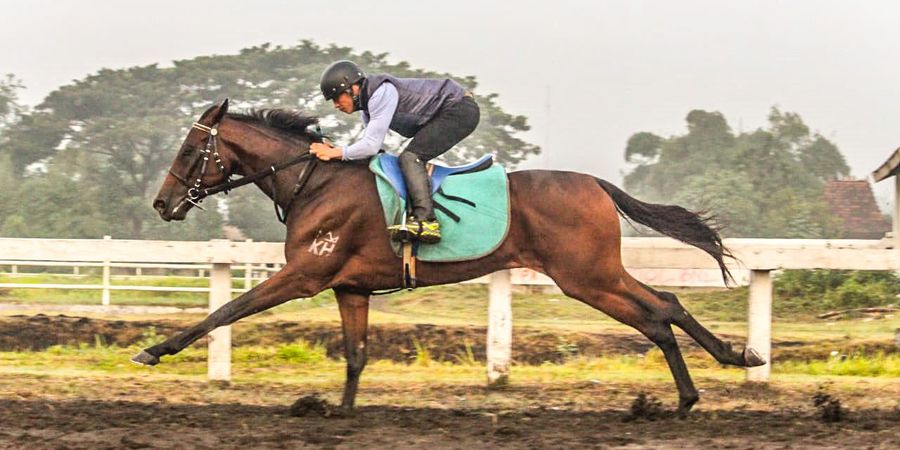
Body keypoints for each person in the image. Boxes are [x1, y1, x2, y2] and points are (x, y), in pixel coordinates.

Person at [309, 60, 480, 244]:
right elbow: (369, 150)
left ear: (353, 88)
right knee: (405, 158)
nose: (335, 105)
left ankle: (426, 221)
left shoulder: (381, 93)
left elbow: (371, 146)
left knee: (410, 158)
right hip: (448, 109)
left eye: (336, 97)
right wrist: (336, 151)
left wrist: (336, 153)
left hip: (459, 108)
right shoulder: (367, 108)